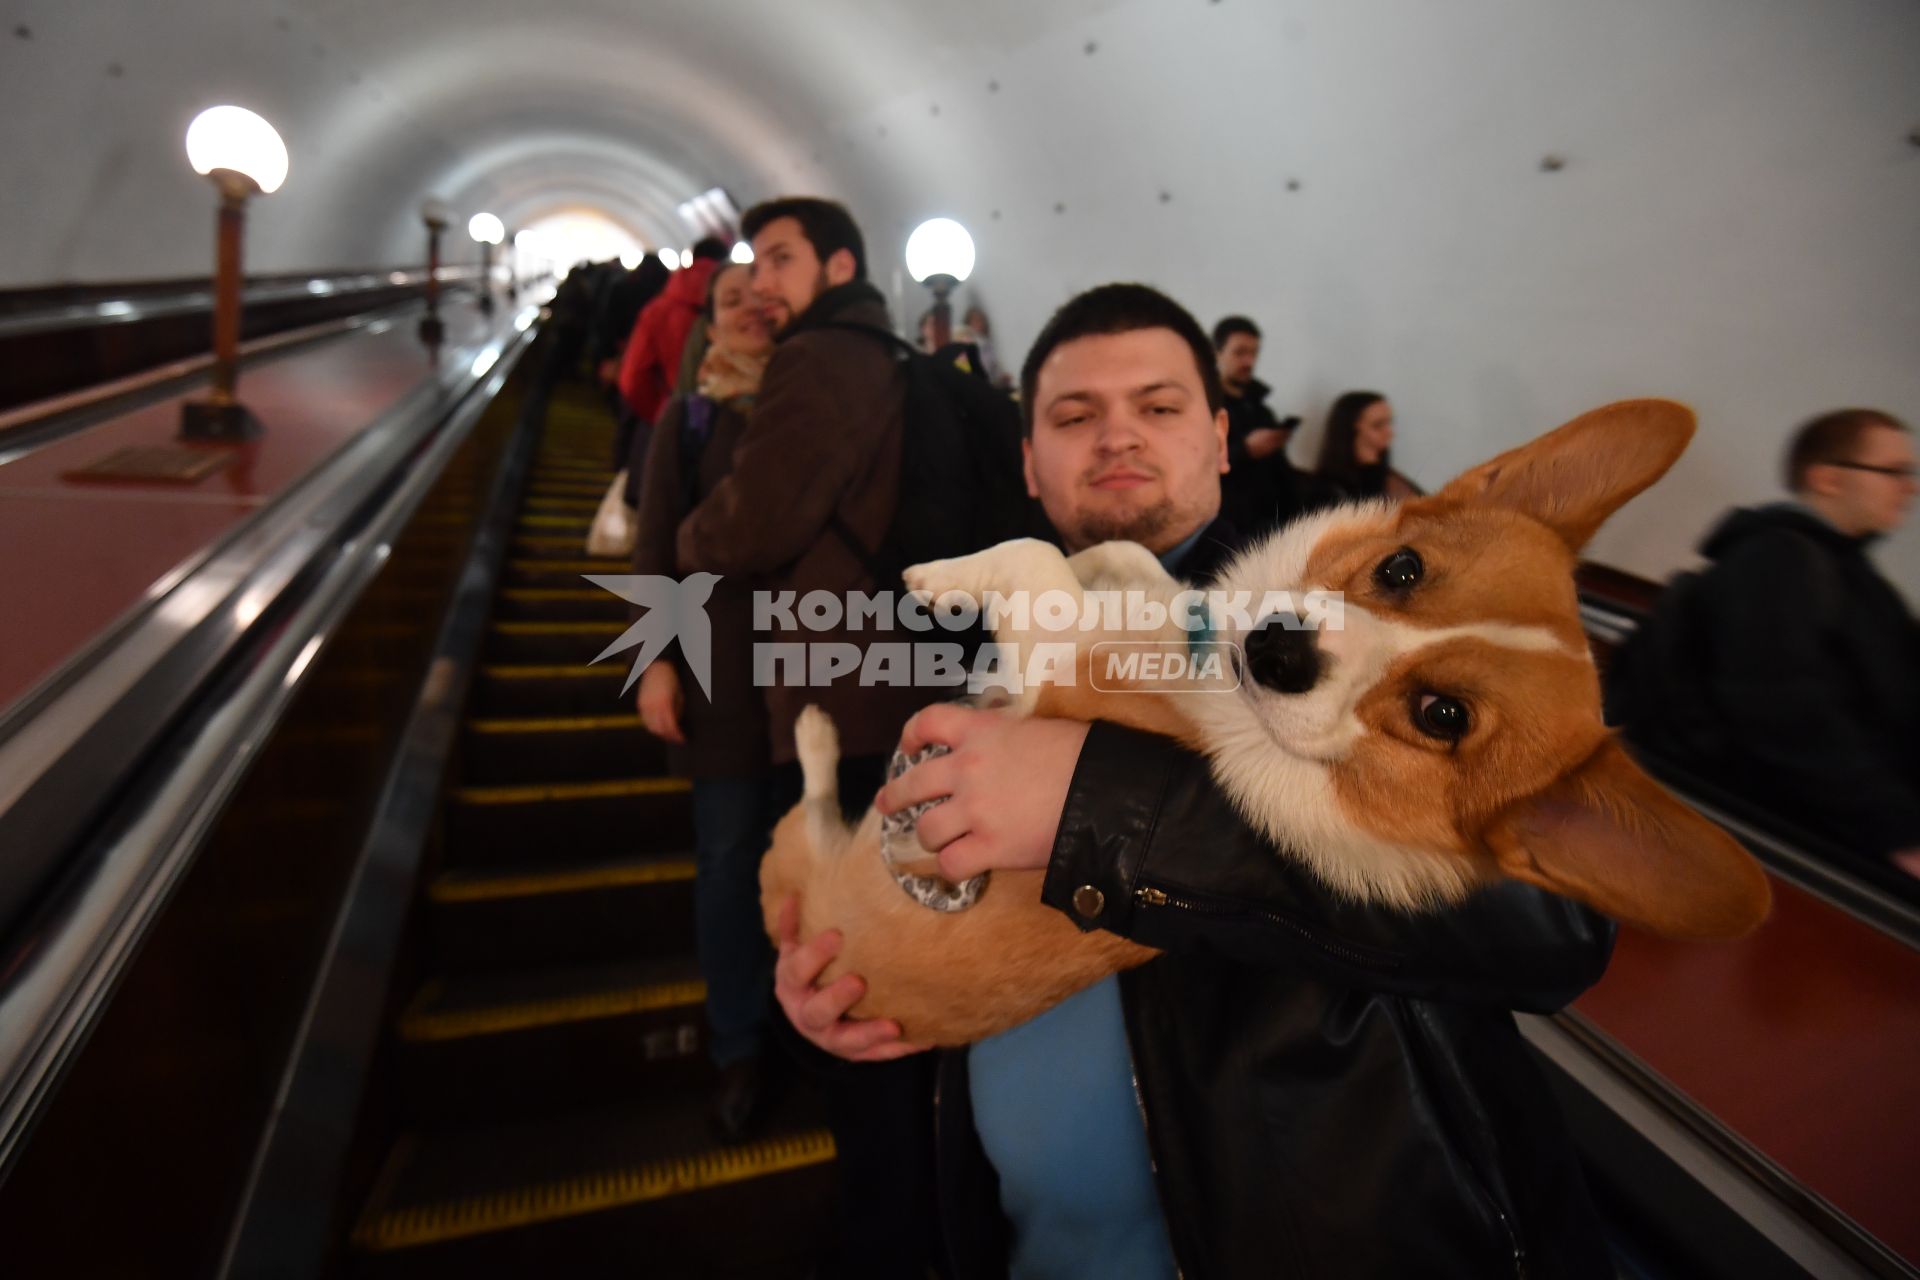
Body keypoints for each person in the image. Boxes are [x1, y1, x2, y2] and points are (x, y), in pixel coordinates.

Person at [774, 284, 1616, 1279]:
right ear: (1029, 463)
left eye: (1159, 406)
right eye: (1074, 415)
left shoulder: (1354, 628)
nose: (1116, 435)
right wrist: (850, 974)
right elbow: (942, 886)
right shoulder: (989, 643)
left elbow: (1556, 921)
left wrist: (1100, 805)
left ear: (1221, 438)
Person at [674, 196, 946, 1277]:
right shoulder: (891, 354)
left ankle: (890, 1229)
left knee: (860, 974)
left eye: (782, 257)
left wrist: (701, 527)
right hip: (899, 679)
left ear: (838, 263)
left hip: (838, 698)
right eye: (754, 260)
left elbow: (757, 519)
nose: (765, 280)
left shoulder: (820, 354)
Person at [1611, 408, 1920, 880]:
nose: (1909, 487)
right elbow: (1783, 708)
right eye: (1893, 472)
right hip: (1764, 840)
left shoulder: (1856, 579)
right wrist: (1896, 830)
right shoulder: (1776, 560)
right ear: (1828, 479)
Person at [628, 261, 780, 1140]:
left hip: (808, 668)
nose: (750, 311)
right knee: (727, 857)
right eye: (731, 301)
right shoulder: (685, 420)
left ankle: (798, 1019)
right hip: (714, 666)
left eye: (764, 297)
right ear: (708, 328)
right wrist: (656, 663)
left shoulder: (808, 415)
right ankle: (737, 1041)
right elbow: (655, 546)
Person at [1211, 314, 1336, 534]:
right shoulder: (1205, 406)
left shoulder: (1261, 409)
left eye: (1253, 353)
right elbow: (1199, 465)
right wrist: (1246, 450)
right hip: (1230, 525)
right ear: (1216, 353)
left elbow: (1279, 471)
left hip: (1272, 521)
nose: (1249, 361)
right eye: (1240, 352)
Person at [617, 237, 728, 427]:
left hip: (666, 415)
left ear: (692, 257)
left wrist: (661, 414)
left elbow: (633, 376)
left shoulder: (658, 309)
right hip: (718, 423)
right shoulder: (740, 310)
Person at [1315, 389, 1423, 501]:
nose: (1389, 432)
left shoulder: (1388, 476)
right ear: (1352, 428)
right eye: (1377, 425)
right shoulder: (1330, 487)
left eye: (1388, 423)